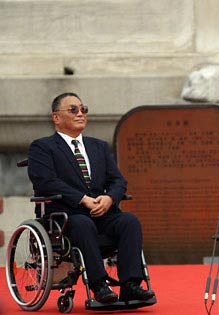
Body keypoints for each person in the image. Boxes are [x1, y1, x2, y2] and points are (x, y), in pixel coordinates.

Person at [28, 92, 155, 304]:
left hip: (101, 212)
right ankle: (99, 286)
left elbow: (118, 181)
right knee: (82, 223)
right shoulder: (43, 147)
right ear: (56, 117)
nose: (80, 114)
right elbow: (46, 181)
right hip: (66, 215)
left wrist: (109, 199)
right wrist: (82, 199)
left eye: (83, 109)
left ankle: (131, 285)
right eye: (73, 110)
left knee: (129, 221)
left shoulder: (98, 147)